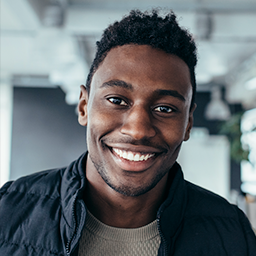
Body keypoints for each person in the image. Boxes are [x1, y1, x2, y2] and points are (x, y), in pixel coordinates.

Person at [0, 9, 255, 256]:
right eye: (117, 100)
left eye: (165, 108)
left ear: (188, 123)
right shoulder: (8, 210)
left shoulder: (232, 233)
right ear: (84, 107)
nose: (138, 130)